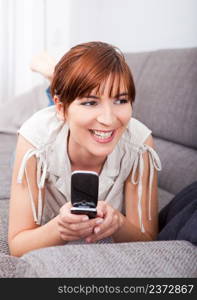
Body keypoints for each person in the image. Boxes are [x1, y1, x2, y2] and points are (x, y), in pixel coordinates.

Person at [8, 41, 162, 257]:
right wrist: (59, 228)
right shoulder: (35, 141)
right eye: (90, 102)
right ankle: (53, 76)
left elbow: (147, 241)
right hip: (52, 135)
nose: (109, 120)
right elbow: (17, 245)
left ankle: (63, 82)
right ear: (60, 107)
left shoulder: (139, 145)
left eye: (121, 100)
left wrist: (119, 223)